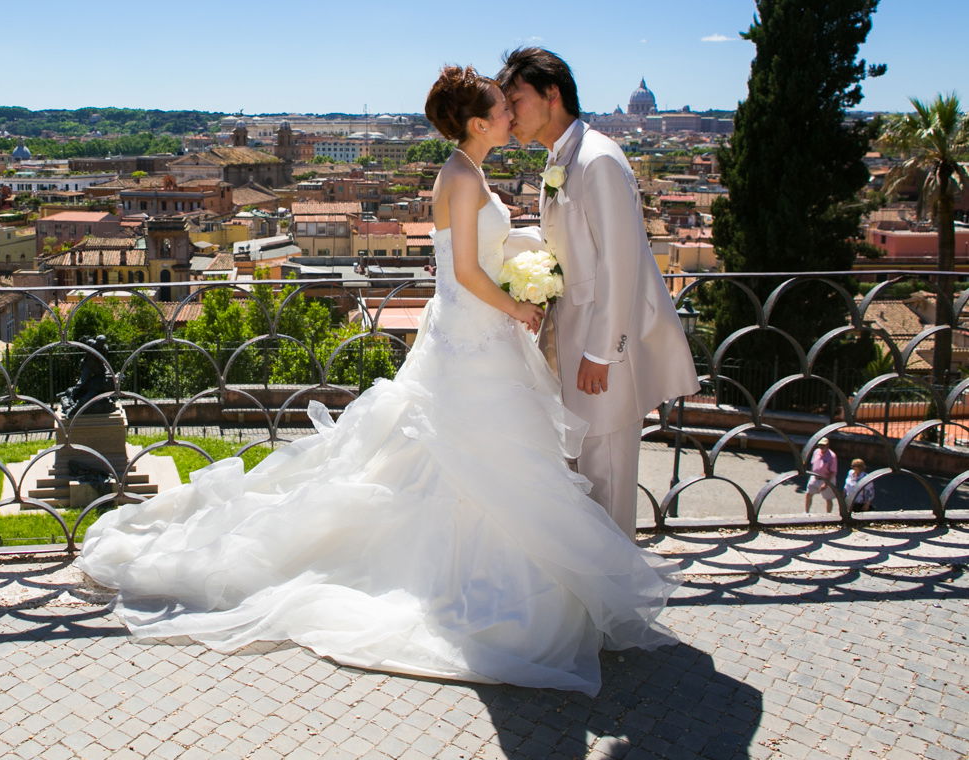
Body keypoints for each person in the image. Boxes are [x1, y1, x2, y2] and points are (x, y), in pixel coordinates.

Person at [77, 66, 680, 696]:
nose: (510, 115)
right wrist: (520, 305)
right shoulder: (463, 176)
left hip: (473, 338)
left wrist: (530, 265)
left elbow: (482, 257)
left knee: (469, 460)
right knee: (478, 457)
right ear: (478, 123)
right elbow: (472, 273)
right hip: (475, 334)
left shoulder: (466, 172)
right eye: (501, 108)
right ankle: (487, 578)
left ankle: (502, 570)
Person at [500, 48, 700, 538]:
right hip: (573, 350)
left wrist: (601, 353)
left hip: (601, 358)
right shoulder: (562, 158)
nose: (507, 113)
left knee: (606, 482)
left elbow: (621, 263)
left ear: (552, 95)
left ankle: (617, 610)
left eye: (515, 100)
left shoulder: (598, 159)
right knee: (584, 484)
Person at [805, 436, 839, 513]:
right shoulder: (816, 452)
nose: (821, 447)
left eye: (823, 445)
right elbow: (813, 464)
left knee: (828, 499)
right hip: (815, 478)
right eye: (820, 445)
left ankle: (828, 515)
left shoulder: (832, 456)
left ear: (827, 445)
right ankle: (806, 512)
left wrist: (826, 484)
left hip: (826, 480)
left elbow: (833, 472)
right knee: (808, 494)